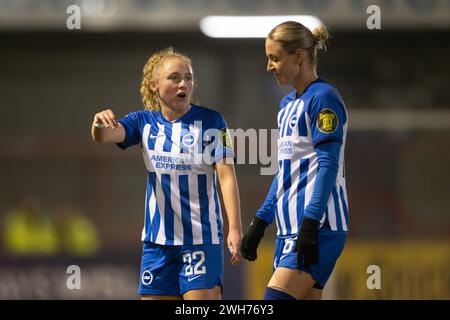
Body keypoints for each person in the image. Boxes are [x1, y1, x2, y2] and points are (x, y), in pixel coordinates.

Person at [91, 47, 242, 300]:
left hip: (201, 239)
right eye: (174, 77)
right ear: (154, 85)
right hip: (157, 243)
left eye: (189, 77)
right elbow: (105, 135)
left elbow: (226, 177)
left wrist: (234, 228)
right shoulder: (143, 122)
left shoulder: (212, 121)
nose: (184, 83)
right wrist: (98, 123)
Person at [240, 21, 349, 300]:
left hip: (319, 228)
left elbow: (327, 165)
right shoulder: (286, 104)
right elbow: (285, 171)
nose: (269, 66)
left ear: (299, 56)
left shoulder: (324, 98)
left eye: (275, 58)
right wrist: (261, 222)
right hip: (289, 231)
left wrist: (311, 223)